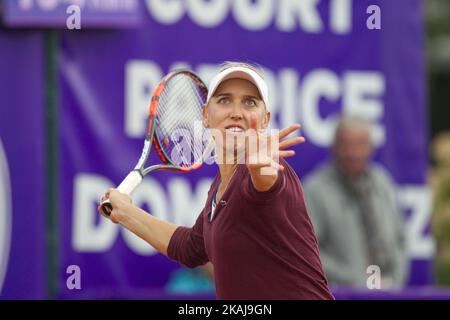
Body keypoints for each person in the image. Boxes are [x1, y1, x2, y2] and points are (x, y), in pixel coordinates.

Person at [99, 62, 334, 300]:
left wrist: (260, 169)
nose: (236, 112)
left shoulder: (271, 168)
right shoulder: (219, 188)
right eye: (224, 100)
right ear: (205, 116)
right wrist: (125, 213)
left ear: (265, 120)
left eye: (250, 102)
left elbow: (266, 184)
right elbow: (189, 247)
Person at [304, 116, 408, 289]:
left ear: (371, 148)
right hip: (340, 293)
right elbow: (307, 251)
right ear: (334, 148)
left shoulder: (382, 182)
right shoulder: (315, 190)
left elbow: (400, 238)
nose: (353, 153)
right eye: (346, 145)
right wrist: (353, 280)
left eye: (360, 145)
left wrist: (395, 280)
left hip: (389, 290)